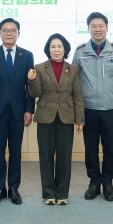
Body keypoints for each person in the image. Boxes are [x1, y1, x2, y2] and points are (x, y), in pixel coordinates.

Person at [73, 12, 113, 201]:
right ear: (88, 28)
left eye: (101, 26)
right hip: (89, 107)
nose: (97, 29)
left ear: (107, 28)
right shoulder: (80, 52)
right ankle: (94, 182)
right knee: (90, 148)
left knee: (110, 147)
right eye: (93, 26)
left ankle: (108, 183)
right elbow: (75, 81)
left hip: (110, 107)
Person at [0, 18, 35, 205]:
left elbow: (30, 85)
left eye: (13, 30)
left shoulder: (27, 55)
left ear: (18, 33)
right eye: (5, 30)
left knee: (15, 151)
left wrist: (29, 109)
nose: (9, 33)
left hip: (18, 110)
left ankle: (13, 188)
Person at [28, 33, 84, 205]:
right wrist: (32, 80)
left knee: (64, 158)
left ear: (65, 49)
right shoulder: (39, 67)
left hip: (67, 117)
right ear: (48, 49)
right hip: (45, 117)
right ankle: (48, 194)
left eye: (59, 46)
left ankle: (62, 194)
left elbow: (77, 95)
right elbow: (35, 93)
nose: (56, 49)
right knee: (45, 157)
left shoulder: (73, 69)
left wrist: (80, 118)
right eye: (53, 46)